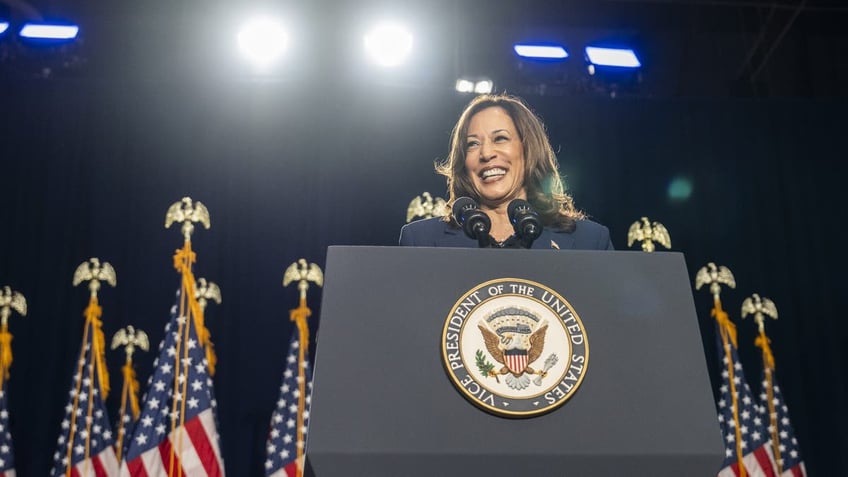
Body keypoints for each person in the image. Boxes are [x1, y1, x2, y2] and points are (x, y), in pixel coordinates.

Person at [399, 93, 613, 250]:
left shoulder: (590, 241)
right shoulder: (421, 241)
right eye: (472, 144)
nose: (486, 153)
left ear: (528, 149)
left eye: (500, 138)